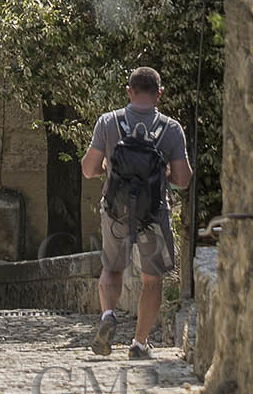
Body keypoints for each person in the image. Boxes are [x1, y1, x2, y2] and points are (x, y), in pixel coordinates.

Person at [81, 66, 192, 360]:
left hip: (115, 211)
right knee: (152, 280)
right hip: (153, 213)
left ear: (129, 91)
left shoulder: (108, 122)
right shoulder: (171, 129)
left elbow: (88, 169)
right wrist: (162, 174)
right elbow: (183, 179)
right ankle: (139, 344)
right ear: (159, 94)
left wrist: (108, 168)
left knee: (112, 268)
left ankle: (108, 315)